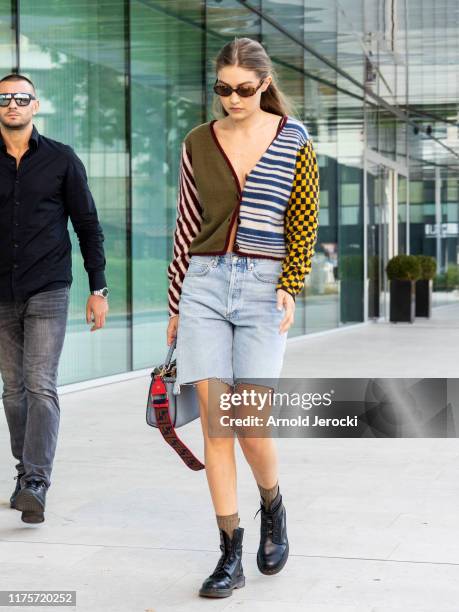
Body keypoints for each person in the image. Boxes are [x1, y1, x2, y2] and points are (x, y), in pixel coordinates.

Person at [166, 37, 319, 598]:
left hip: (263, 288)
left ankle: (272, 504)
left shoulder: (294, 140)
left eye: (245, 90)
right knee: (216, 424)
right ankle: (229, 551)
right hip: (205, 285)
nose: (233, 99)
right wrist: (176, 303)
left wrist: (290, 283)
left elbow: (303, 220)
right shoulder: (197, 142)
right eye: (223, 89)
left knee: (250, 421)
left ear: (265, 84)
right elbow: (186, 224)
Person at [0, 73, 109, 524]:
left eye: (21, 98)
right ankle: (26, 475)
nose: (12, 105)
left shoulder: (61, 159)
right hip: (0, 294)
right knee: (12, 390)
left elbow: (88, 225)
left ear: (35, 105)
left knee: (40, 383)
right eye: (5, 99)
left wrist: (97, 288)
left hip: (48, 286)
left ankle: (37, 482)